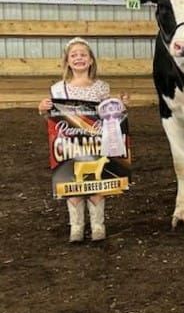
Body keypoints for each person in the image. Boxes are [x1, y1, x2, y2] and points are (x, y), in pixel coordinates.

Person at [38, 37, 127, 243]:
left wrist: (120, 105)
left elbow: (110, 114)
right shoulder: (58, 88)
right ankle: (76, 227)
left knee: (96, 185)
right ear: (67, 62)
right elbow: (51, 117)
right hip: (70, 144)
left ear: (91, 60)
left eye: (83, 55)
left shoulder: (102, 87)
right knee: (73, 184)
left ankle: (98, 226)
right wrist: (42, 108)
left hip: (94, 142)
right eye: (74, 55)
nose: (79, 58)